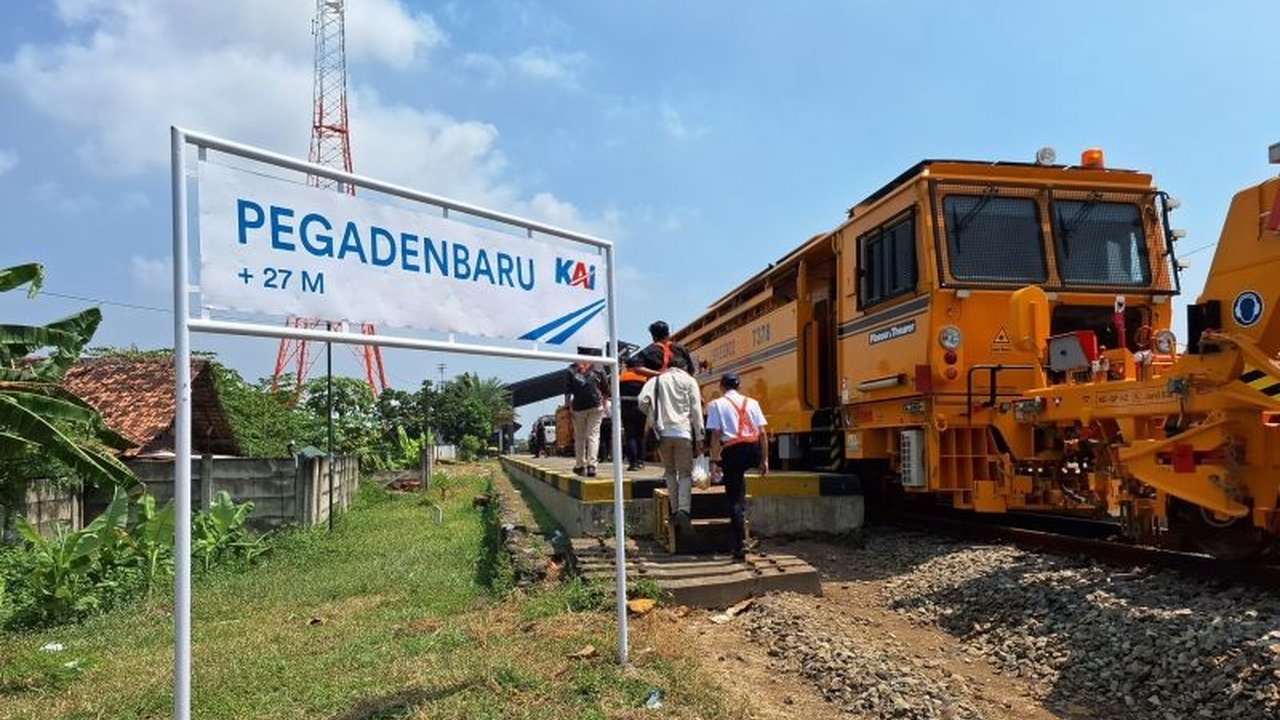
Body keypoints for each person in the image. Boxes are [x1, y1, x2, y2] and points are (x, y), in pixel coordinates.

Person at [638, 355, 704, 538]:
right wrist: (699, 437)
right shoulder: (690, 381)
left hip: (662, 434)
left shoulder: (656, 380)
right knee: (684, 473)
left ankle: (674, 510)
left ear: (669, 366)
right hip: (683, 433)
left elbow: (642, 401)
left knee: (669, 471)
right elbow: (696, 410)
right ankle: (684, 509)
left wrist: (653, 416)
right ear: (684, 367)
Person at [706, 372, 768, 562]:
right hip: (753, 448)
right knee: (739, 490)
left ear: (721, 387)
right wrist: (764, 459)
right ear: (739, 387)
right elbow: (763, 433)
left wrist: (714, 461)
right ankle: (744, 529)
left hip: (733, 450)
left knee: (734, 499)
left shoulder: (716, 404)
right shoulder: (753, 403)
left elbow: (716, 435)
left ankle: (740, 544)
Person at [565, 358, 607, 477]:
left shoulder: (571, 368)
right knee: (593, 436)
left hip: (578, 407)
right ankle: (592, 465)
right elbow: (605, 388)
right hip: (596, 406)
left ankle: (579, 465)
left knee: (580, 437)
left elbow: (567, 391)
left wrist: (567, 407)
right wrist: (603, 404)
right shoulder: (598, 366)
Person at [618, 355, 649, 471]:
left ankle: (633, 463)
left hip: (626, 408)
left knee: (630, 435)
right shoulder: (644, 378)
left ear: (627, 366)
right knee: (640, 435)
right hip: (641, 408)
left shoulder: (621, 378)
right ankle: (641, 461)